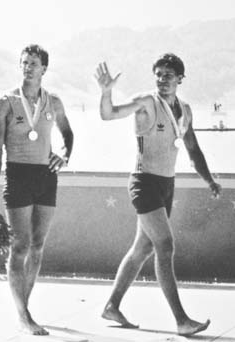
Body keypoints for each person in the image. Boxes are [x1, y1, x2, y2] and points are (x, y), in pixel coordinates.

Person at [95, 53, 222, 336]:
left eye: (168, 75)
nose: (162, 80)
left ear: (179, 79)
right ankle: (181, 320)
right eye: (158, 74)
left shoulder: (185, 110)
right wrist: (106, 93)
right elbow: (108, 114)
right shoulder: (147, 102)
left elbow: (193, 150)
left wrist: (210, 180)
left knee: (143, 248)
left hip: (167, 185)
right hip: (144, 183)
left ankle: (112, 305)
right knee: (165, 245)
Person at [0, 44, 74, 335]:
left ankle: (24, 306)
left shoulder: (54, 101)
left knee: (37, 246)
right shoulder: (6, 102)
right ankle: (24, 316)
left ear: (44, 68)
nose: (28, 67)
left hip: (47, 176)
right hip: (18, 175)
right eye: (24, 62)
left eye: (34, 63)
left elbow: (68, 133)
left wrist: (64, 153)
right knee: (19, 246)